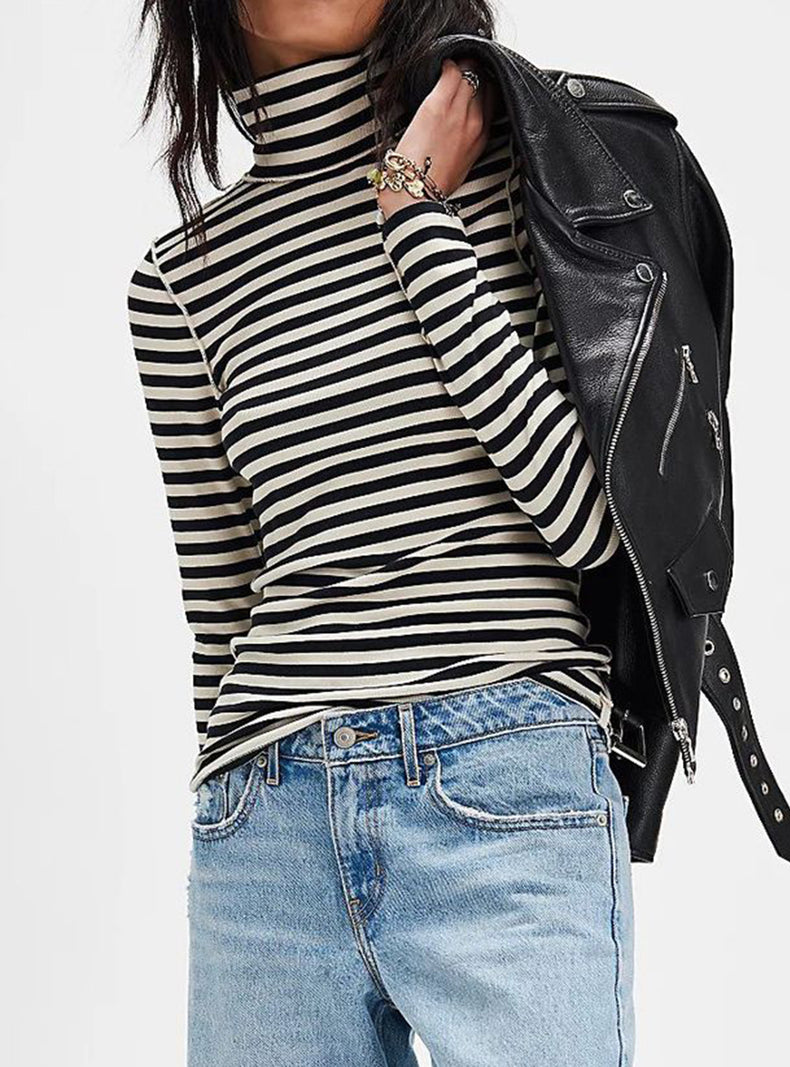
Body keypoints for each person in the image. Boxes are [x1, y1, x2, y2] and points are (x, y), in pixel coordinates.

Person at [127, 1, 634, 1064]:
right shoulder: (181, 281)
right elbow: (221, 613)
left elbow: (591, 525)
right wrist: (226, 798)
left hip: (502, 773)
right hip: (265, 823)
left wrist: (412, 212)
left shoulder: (524, 178)